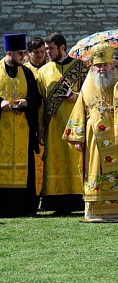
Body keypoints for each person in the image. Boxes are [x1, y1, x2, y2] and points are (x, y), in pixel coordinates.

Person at [63, 43, 118, 222]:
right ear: (93, 66)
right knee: (96, 169)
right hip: (94, 137)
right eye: (98, 65)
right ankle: (96, 212)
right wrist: (78, 137)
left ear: (111, 65)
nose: (101, 69)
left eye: (105, 65)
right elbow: (79, 110)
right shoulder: (87, 85)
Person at [37, 32, 88, 214]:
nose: (48, 52)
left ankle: (79, 202)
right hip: (53, 126)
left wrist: (76, 96)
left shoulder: (81, 68)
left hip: (76, 124)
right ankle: (56, 204)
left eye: (51, 48)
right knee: (55, 162)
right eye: (46, 48)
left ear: (62, 48)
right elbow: (41, 103)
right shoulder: (43, 71)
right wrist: (40, 129)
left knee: (76, 162)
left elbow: (91, 94)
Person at [0, 33, 42, 217]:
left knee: (24, 170)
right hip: (2, 130)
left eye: (24, 53)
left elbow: (37, 98)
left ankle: (24, 208)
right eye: (19, 53)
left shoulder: (26, 72)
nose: (23, 57)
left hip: (23, 132)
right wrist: (0, 102)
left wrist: (26, 102)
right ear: (8, 52)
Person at [24, 36, 47, 198]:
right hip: (30, 121)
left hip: (48, 119)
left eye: (42, 51)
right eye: (36, 52)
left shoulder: (50, 68)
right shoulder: (25, 70)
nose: (40, 55)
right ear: (29, 53)